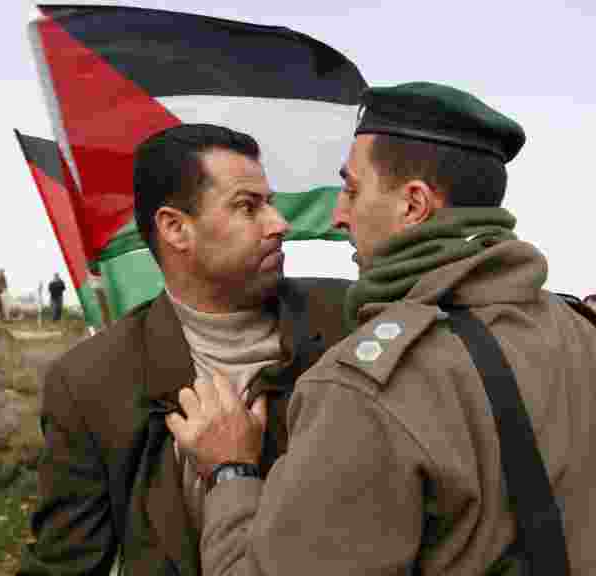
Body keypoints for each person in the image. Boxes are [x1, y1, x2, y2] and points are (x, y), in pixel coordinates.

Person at [165, 83, 596, 575]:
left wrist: (231, 472)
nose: (338, 214)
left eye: (351, 189)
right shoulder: (580, 333)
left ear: (413, 204)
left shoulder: (364, 386)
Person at [18, 124, 353, 575]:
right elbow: (65, 565)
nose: (279, 224)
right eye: (248, 207)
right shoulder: (91, 381)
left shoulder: (351, 322)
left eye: (269, 203)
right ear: (175, 228)